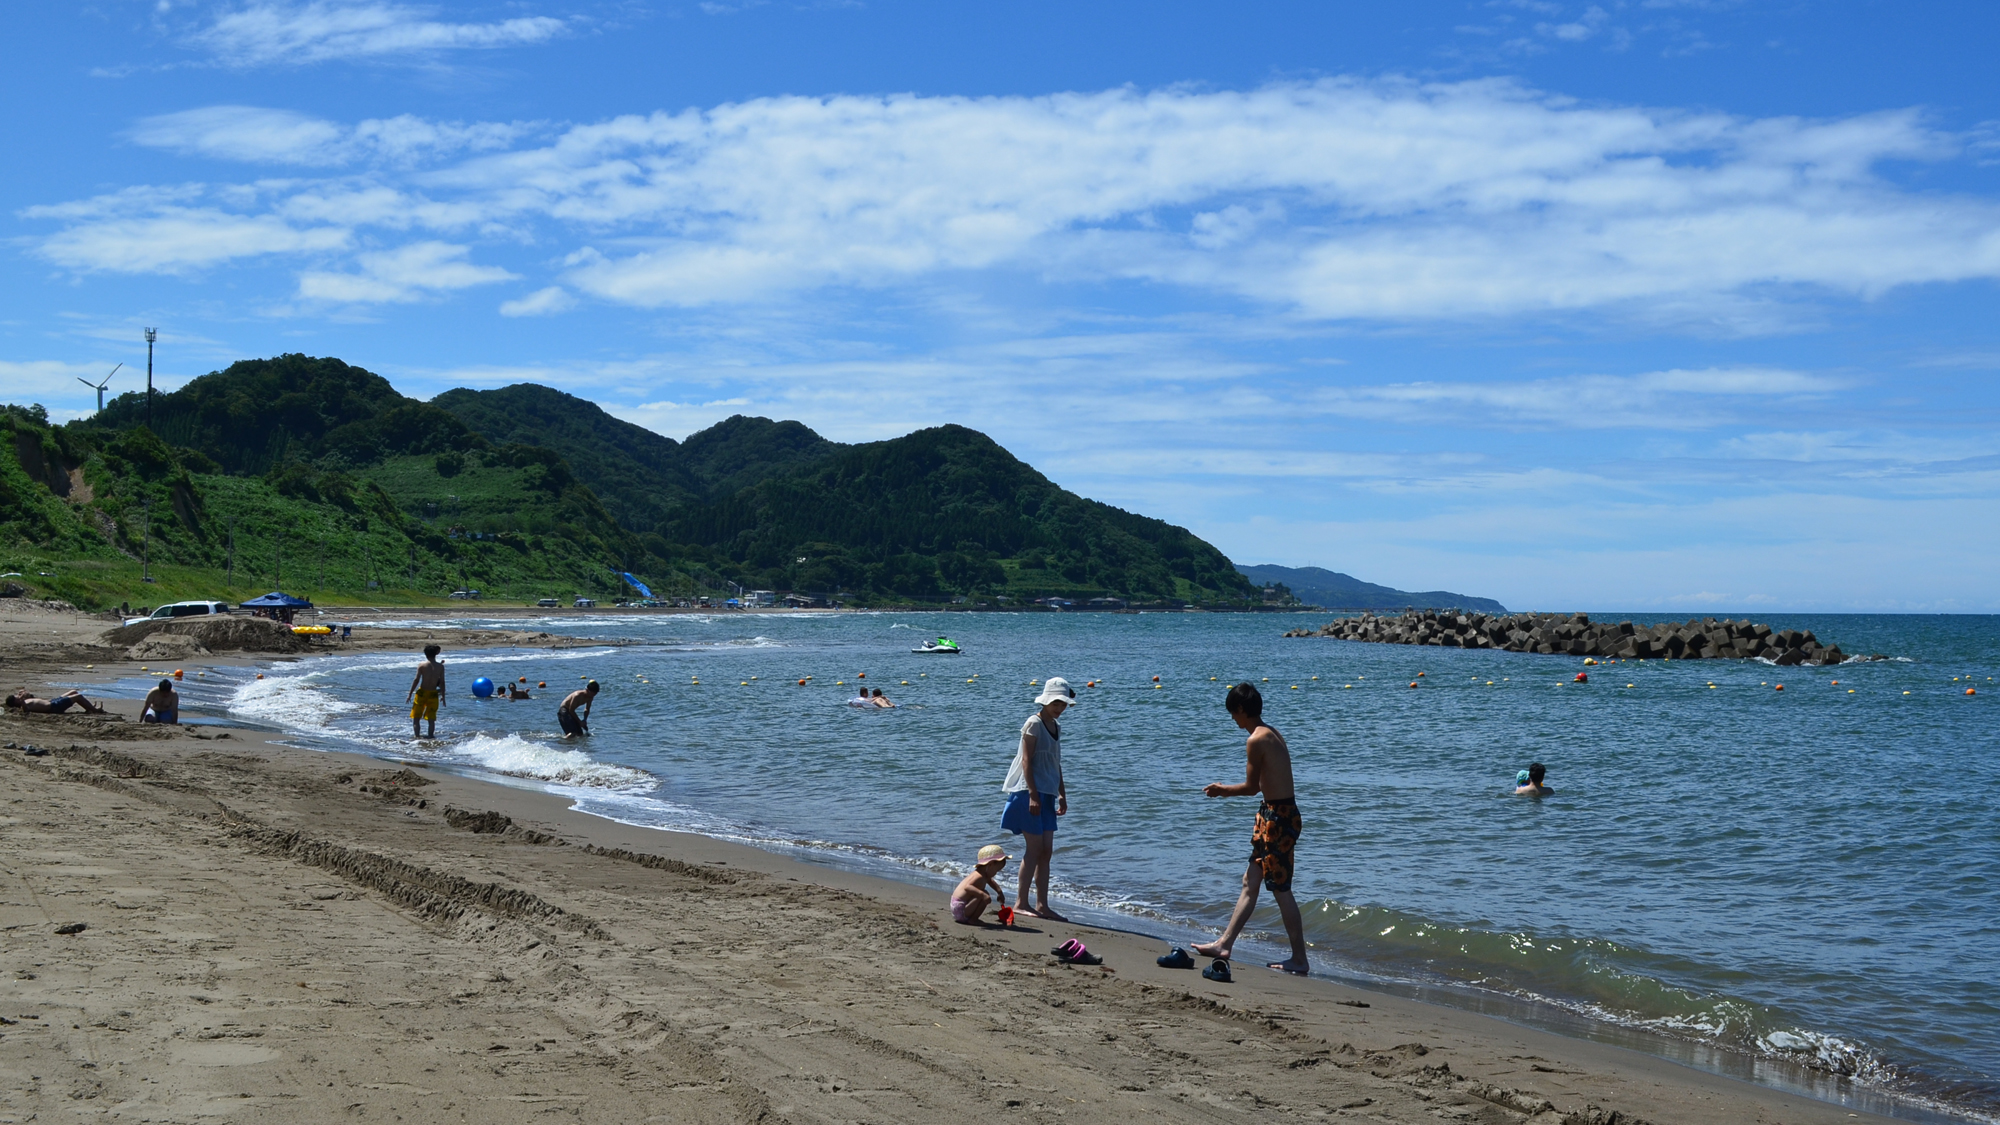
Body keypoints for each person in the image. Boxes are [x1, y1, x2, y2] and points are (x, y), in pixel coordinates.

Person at [1192, 682, 1309, 978]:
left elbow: (1250, 788)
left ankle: (1299, 959)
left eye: (1233, 713)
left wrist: (1221, 791)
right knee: (1250, 880)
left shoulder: (1256, 739)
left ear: (1242, 710)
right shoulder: (1270, 732)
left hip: (1278, 819)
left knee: (1281, 890)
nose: (1233, 719)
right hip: (1275, 814)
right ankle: (1224, 944)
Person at [1002, 677, 1074, 921]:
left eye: (1063, 704)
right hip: (1028, 792)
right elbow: (1026, 761)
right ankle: (1021, 902)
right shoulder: (1033, 723)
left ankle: (1042, 904)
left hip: (1048, 792)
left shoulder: (1056, 726)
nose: (1059, 708)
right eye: (1056, 703)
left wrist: (1062, 793)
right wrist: (1033, 794)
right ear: (1045, 701)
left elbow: (1056, 763)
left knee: (1046, 852)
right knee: (1033, 849)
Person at [949, 844, 1011, 925]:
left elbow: (990, 881)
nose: (996, 873)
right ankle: (973, 919)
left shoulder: (983, 874)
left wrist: (999, 892)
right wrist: (982, 894)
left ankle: (971, 918)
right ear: (990, 865)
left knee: (983, 893)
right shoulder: (979, 876)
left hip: (959, 909)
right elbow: (967, 887)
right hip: (960, 909)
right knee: (984, 894)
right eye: (997, 870)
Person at [406, 644, 446, 739]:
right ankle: (431, 737)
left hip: (422, 693)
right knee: (431, 719)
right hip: (433, 694)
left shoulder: (422, 665)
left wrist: (410, 694)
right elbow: (442, 682)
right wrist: (443, 696)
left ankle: (416, 737)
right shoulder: (440, 667)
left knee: (416, 718)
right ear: (435, 654)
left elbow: (416, 680)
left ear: (426, 654)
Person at [4, 688, 108, 715]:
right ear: (15, 702)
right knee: (78, 696)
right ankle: (94, 710)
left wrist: (23, 693)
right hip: (54, 706)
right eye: (17, 697)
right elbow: (25, 710)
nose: (19, 697)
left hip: (53, 701)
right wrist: (22, 701)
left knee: (73, 691)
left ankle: (88, 708)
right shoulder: (23, 705)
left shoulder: (25, 701)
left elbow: (30, 696)